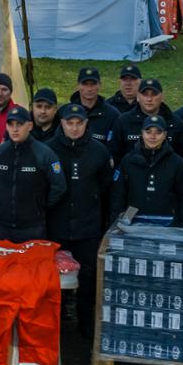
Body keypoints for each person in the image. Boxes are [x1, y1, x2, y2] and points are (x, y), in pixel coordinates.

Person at [46, 103, 111, 337]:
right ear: (61, 123)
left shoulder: (99, 151)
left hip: (88, 227)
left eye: (79, 123)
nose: (74, 128)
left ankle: (85, 322)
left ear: (86, 124)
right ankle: (57, 321)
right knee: (55, 277)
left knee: (88, 276)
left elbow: (105, 186)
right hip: (57, 226)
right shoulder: (48, 150)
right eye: (69, 123)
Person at [0, 107, 65, 242]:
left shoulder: (44, 153)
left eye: (19, 124)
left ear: (30, 126)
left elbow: (59, 187)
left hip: (32, 228)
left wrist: (40, 206)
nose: (15, 129)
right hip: (1, 226)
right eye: (11, 124)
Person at [109, 116, 183, 226]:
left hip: (167, 223)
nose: (153, 137)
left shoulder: (177, 163)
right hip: (132, 222)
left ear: (165, 135)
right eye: (148, 132)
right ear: (142, 133)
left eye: (158, 132)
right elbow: (118, 196)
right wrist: (116, 225)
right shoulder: (128, 161)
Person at [111, 78, 183, 167]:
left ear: (162, 97)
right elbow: (114, 154)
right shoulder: (124, 121)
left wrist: (176, 173)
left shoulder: (175, 122)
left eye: (154, 94)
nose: (149, 99)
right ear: (138, 97)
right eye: (145, 94)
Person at [70, 67, 120, 143]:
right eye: (85, 84)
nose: (89, 89)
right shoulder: (65, 112)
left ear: (100, 85)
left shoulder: (112, 115)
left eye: (93, 84)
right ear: (78, 85)